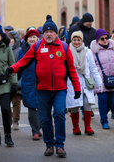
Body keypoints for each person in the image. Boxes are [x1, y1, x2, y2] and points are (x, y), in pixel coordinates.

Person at [7, 15, 81, 158]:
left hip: (60, 89)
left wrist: (77, 88)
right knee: (45, 119)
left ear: (55, 33)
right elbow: (23, 61)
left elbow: (71, 69)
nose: (48, 34)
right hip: (42, 90)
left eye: (51, 32)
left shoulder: (64, 47)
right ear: (43, 34)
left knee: (59, 114)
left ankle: (60, 145)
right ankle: (49, 145)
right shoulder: (36, 46)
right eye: (46, 32)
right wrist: (12, 68)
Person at [66, 31, 102, 135]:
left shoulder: (88, 51)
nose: (76, 42)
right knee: (74, 106)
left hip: (86, 82)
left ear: (82, 40)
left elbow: (93, 68)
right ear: (71, 40)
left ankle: (88, 127)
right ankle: (75, 127)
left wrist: (99, 81)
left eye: (78, 40)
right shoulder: (68, 51)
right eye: (74, 40)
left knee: (87, 104)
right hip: (73, 82)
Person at [91, 29, 114, 129]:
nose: (105, 40)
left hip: (113, 78)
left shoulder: (113, 48)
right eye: (102, 38)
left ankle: (104, 113)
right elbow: (92, 66)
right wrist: (97, 77)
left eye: (106, 38)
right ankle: (104, 120)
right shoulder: (94, 51)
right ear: (97, 40)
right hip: (101, 80)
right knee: (103, 100)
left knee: (111, 101)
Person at [17, 28, 42, 140]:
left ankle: (39, 127)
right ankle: (35, 131)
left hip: (41, 81)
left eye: (34, 37)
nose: (32, 39)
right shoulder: (22, 50)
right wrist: (16, 80)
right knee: (32, 106)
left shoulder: (42, 49)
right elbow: (19, 66)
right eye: (30, 37)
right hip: (28, 82)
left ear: (38, 39)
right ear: (26, 39)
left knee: (42, 106)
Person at [8, 30, 22, 131]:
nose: (10, 40)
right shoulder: (4, 49)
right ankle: (8, 119)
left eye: (12, 38)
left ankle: (15, 120)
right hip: (6, 79)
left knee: (16, 101)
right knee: (6, 101)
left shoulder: (20, 50)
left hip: (17, 78)